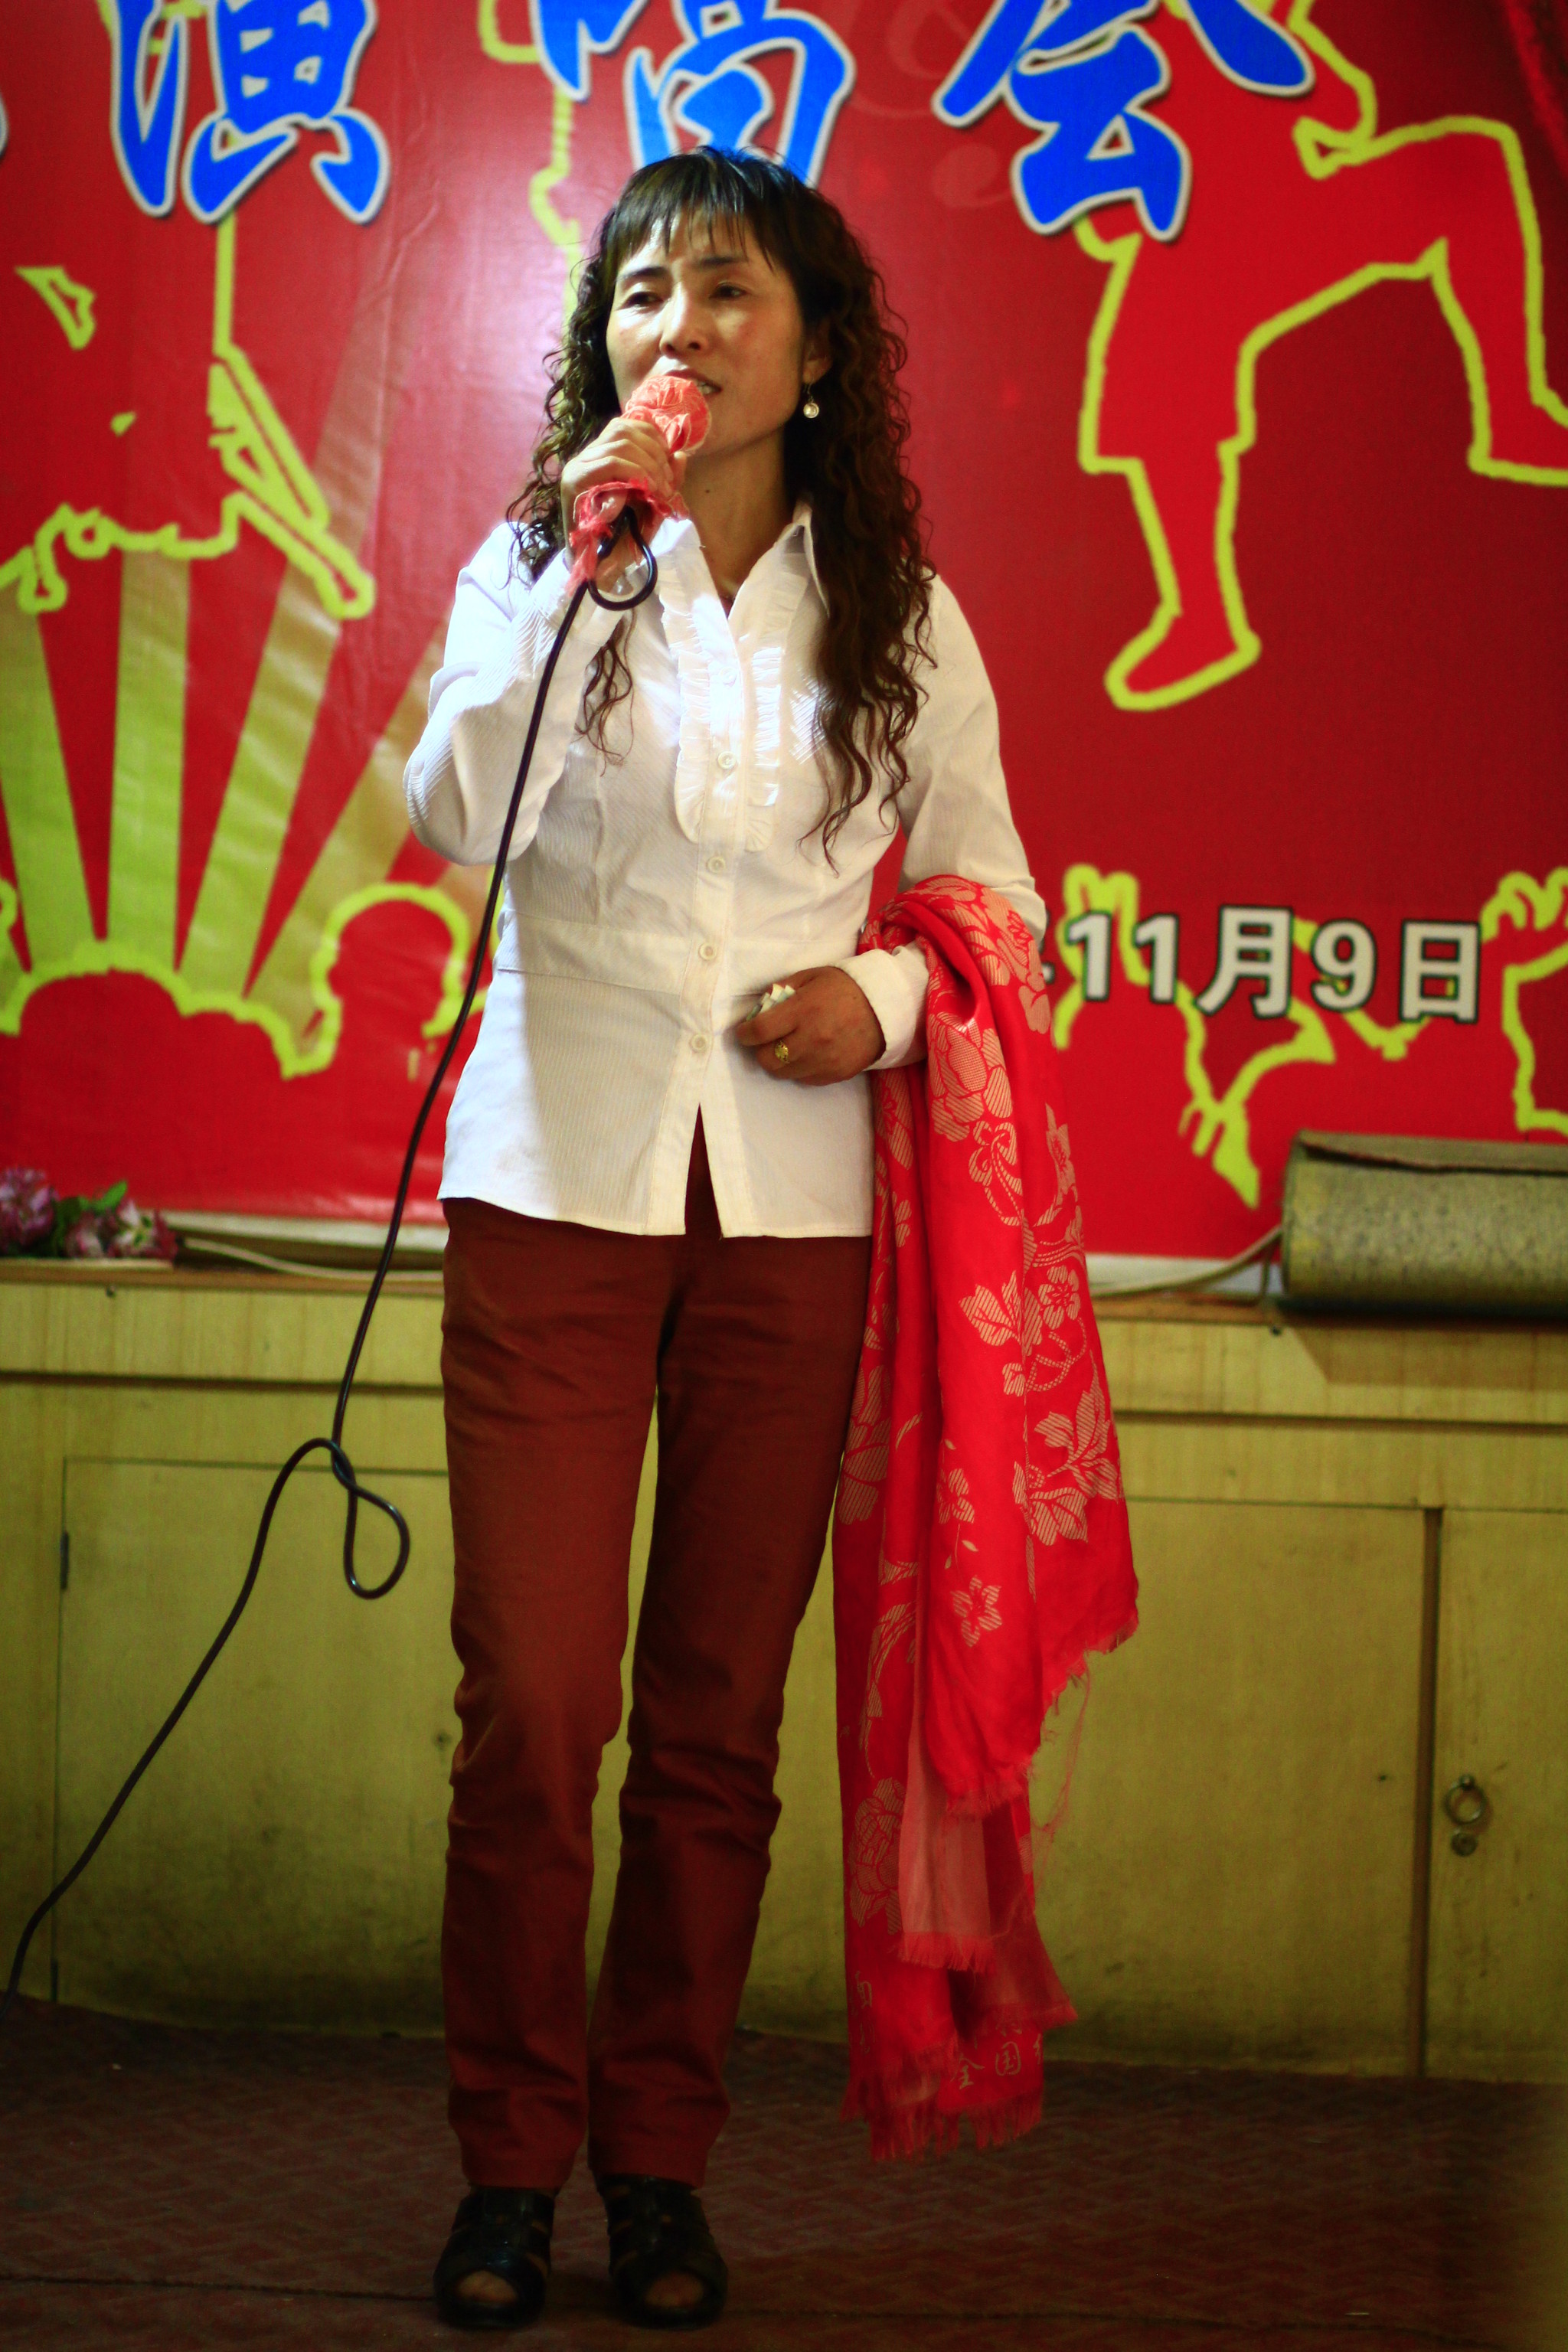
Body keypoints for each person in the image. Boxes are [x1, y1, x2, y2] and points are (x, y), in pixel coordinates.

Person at [403, 147, 1047, 2332]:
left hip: (790, 1212)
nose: (677, 331)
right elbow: (445, 813)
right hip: (558, 1184)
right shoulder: (544, 555)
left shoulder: (902, 614)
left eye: (728, 292)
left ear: (821, 350)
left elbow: (999, 901)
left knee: (713, 1720)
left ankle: (656, 2164)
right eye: (641, 295)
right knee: (533, 1705)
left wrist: (877, 1000)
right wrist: (576, 574)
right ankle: (508, 2168)